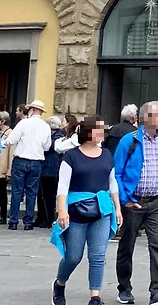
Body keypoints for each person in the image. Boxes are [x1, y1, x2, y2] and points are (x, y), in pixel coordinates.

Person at [51, 115, 122, 305]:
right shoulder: (71, 156)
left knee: (98, 256)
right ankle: (60, 283)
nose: (104, 132)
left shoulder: (106, 154)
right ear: (89, 132)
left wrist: (117, 208)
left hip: (102, 209)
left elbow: (112, 182)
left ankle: (95, 297)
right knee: (73, 257)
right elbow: (62, 186)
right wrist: (62, 211)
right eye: (100, 129)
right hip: (76, 211)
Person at [114, 101, 158, 305]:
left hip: (157, 202)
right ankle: (124, 288)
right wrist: (126, 200)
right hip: (134, 203)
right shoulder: (128, 141)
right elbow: (117, 173)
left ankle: (157, 291)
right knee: (127, 245)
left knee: (157, 245)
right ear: (147, 118)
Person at [6, 99, 53, 230]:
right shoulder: (45, 126)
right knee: (31, 192)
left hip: (21, 160)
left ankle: (13, 221)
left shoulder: (23, 123)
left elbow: (12, 139)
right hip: (36, 161)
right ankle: (28, 222)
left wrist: (2, 144)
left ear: (32, 110)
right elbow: (47, 146)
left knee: (17, 191)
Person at [37, 116, 66, 228]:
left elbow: (47, 147)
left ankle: (48, 218)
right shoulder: (58, 136)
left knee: (48, 196)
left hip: (50, 170)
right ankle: (41, 217)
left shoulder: (56, 138)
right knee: (43, 195)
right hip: (48, 169)